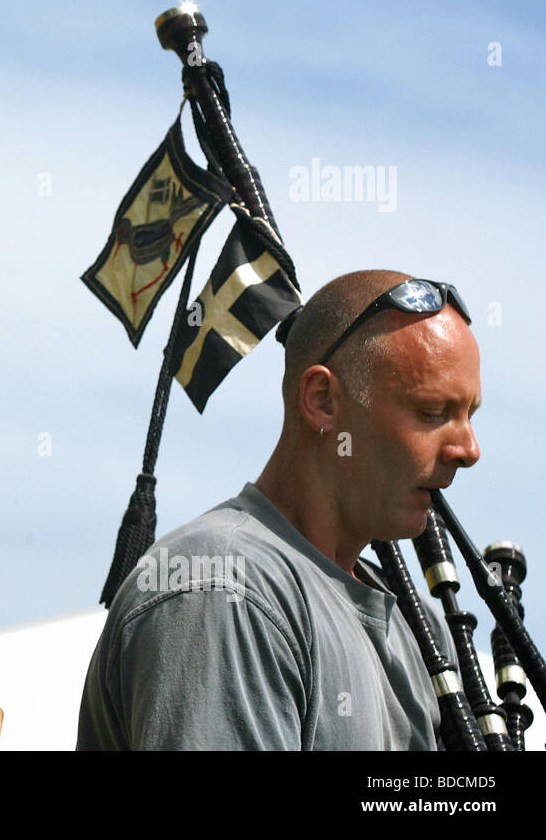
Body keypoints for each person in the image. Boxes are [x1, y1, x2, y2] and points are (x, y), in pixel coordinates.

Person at [77, 270, 481, 750]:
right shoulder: (226, 588)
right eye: (432, 413)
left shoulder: (415, 631)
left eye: (469, 415)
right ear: (322, 401)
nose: (468, 449)